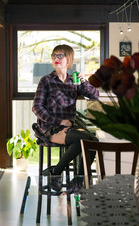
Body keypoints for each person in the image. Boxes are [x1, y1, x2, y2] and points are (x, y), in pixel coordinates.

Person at [32, 44, 99, 194]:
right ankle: (59, 172)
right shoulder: (46, 81)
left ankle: (77, 181)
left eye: (60, 55)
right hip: (50, 127)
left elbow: (95, 95)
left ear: (69, 59)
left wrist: (84, 82)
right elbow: (37, 108)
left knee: (93, 141)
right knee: (83, 139)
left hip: (69, 128)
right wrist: (59, 121)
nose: (56, 58)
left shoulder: (73, 81)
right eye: (54, 55)